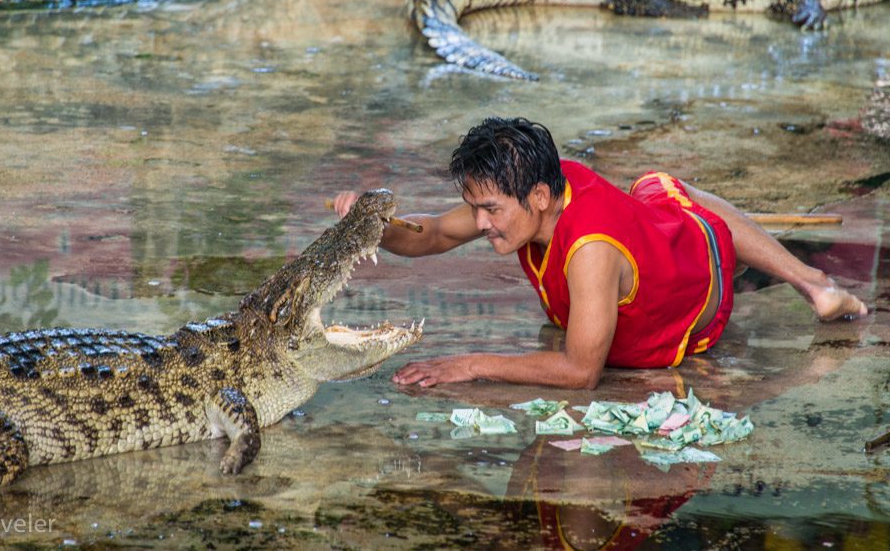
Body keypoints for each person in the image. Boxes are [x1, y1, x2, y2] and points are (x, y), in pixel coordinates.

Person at [331, 117, 868, 389]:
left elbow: (580, 373)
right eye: (475, 208)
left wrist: (469, 364)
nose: (480, 224)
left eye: (491, 210)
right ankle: (815, 283)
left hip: (694, 297)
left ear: (538, 196)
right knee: (650, 190)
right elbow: (433, 235)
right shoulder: (545, 187)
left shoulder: (589, 248)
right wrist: (369, 224)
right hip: (640, 255)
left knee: (668, 191)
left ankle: (814, 284)